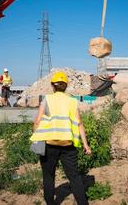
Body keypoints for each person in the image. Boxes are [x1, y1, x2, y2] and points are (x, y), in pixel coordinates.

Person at [30, 71, 92, 205]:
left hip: (49, 144)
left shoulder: (47, 100)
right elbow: (79, 123)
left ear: (53, 86)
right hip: (68, 146)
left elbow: (37, 121)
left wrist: (36, 140)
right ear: (66, 86)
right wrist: (86, 145)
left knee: (48, 176)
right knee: (74, 177)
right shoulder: (72, 102)